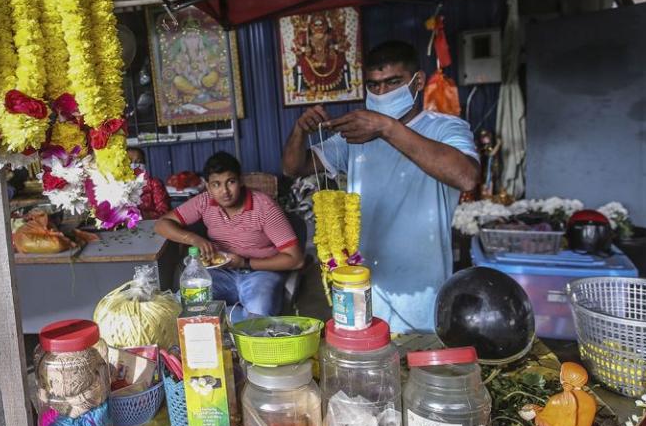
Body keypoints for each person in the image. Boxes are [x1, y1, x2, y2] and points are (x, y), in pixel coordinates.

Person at [282, 40, 480, 332]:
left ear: (418, 82)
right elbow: (293, 167)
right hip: (361, 278)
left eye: (392, 82)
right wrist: (299, 131)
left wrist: (387, 128)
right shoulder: (356, 135)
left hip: (421, 283)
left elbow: (466, 176)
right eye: (374, 86)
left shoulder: (444, 127)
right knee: (366, 358)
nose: (382, 92)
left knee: (416, 361)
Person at [154, 152, 305, 321]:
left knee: (259, 312)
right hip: (221, 273)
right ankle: (232, 321)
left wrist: (245, 262)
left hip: (261, 273)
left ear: (241, 180)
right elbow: (162, 224)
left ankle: (227, 320)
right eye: (216, 184)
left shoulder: (264, 207)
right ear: (208, 186)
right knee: (180, 303)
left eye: (230, 182)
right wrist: (194, 239)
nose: (224, 191)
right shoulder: (204, 201)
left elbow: (296, 259)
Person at [127, 147, 171, 220]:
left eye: (139, 161)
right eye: (129, 162)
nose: (135, 165)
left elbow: (164, 213)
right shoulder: (117, 187)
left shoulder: (154, 183)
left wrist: (139, 215)